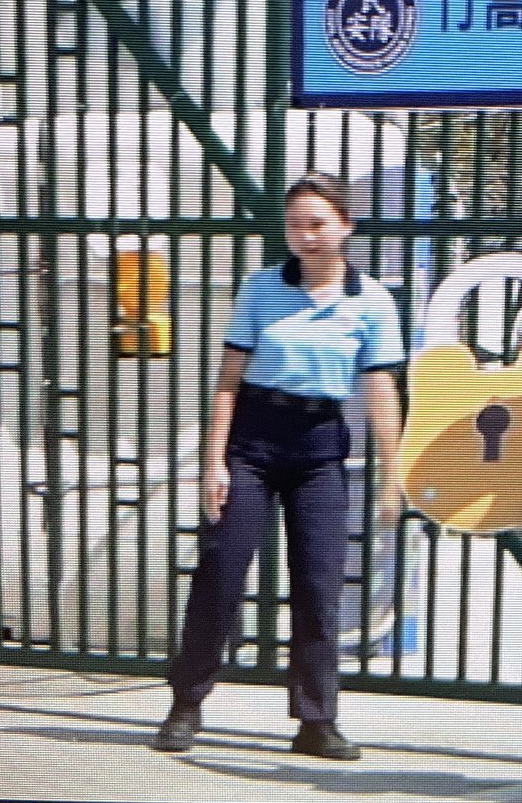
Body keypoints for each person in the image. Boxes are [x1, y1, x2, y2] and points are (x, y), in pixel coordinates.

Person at [153, 172, 405, 759]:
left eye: (318, 223)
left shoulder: (371, 300)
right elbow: (228, 381)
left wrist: (393, 478)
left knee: (319, 584)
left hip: (319, 446)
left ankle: (317, 720)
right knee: (220, 571)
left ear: (346, 225)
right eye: (295, 224)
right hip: (253, 441)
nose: (306, 235)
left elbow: (381, 391)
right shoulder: (261, 287)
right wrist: (214, 462)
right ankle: (186, 704)